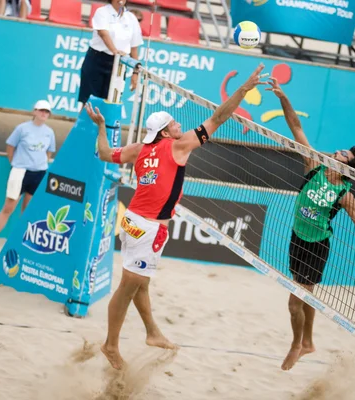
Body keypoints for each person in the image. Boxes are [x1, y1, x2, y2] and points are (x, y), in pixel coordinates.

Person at [85, 63, 268, 370]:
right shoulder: (177, 146)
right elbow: (220, 116)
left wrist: (101, 127)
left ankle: (152, 332)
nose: (179, 125)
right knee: (128, 285)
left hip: (132, 220)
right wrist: (245, 88)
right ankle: (111, 345)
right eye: (174, 123)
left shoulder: (139, 150)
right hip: (149, 227)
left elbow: (105, 154)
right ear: (165, 132)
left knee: (140, 283)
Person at [265, 77, 355, 371]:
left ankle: (297, 344)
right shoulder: (314, 167)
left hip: (317, 245)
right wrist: (283, 97)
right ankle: (310, 342)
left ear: (347, 168)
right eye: (339, 151)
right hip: (297, 236)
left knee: (295, 301)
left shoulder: (344, 194)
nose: (336, 152)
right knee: (307, 292)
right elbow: (296, 128)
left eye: (343, 155)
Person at [0, 100, 56, 250]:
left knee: (28, 210)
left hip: (38, 173)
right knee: (8, 207)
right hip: (20, 172)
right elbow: (10, 146)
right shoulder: (22, 128)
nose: (44, 114)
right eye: (41, 110)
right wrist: (15, 162)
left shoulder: (49, 132)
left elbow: (49, 152)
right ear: (34, 111)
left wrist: (41, 163)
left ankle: (22, 243)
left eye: (46, 111)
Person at [79, 0, 143, 107]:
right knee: (89, 103)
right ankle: (84, 124)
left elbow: (134, 47)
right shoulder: (102, 12)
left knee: (111, 102)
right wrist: (115, 51)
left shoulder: (131, 18)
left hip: (119, 65)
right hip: (97, 60)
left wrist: (135, 73)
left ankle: (103, 124)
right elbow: (103, 33)